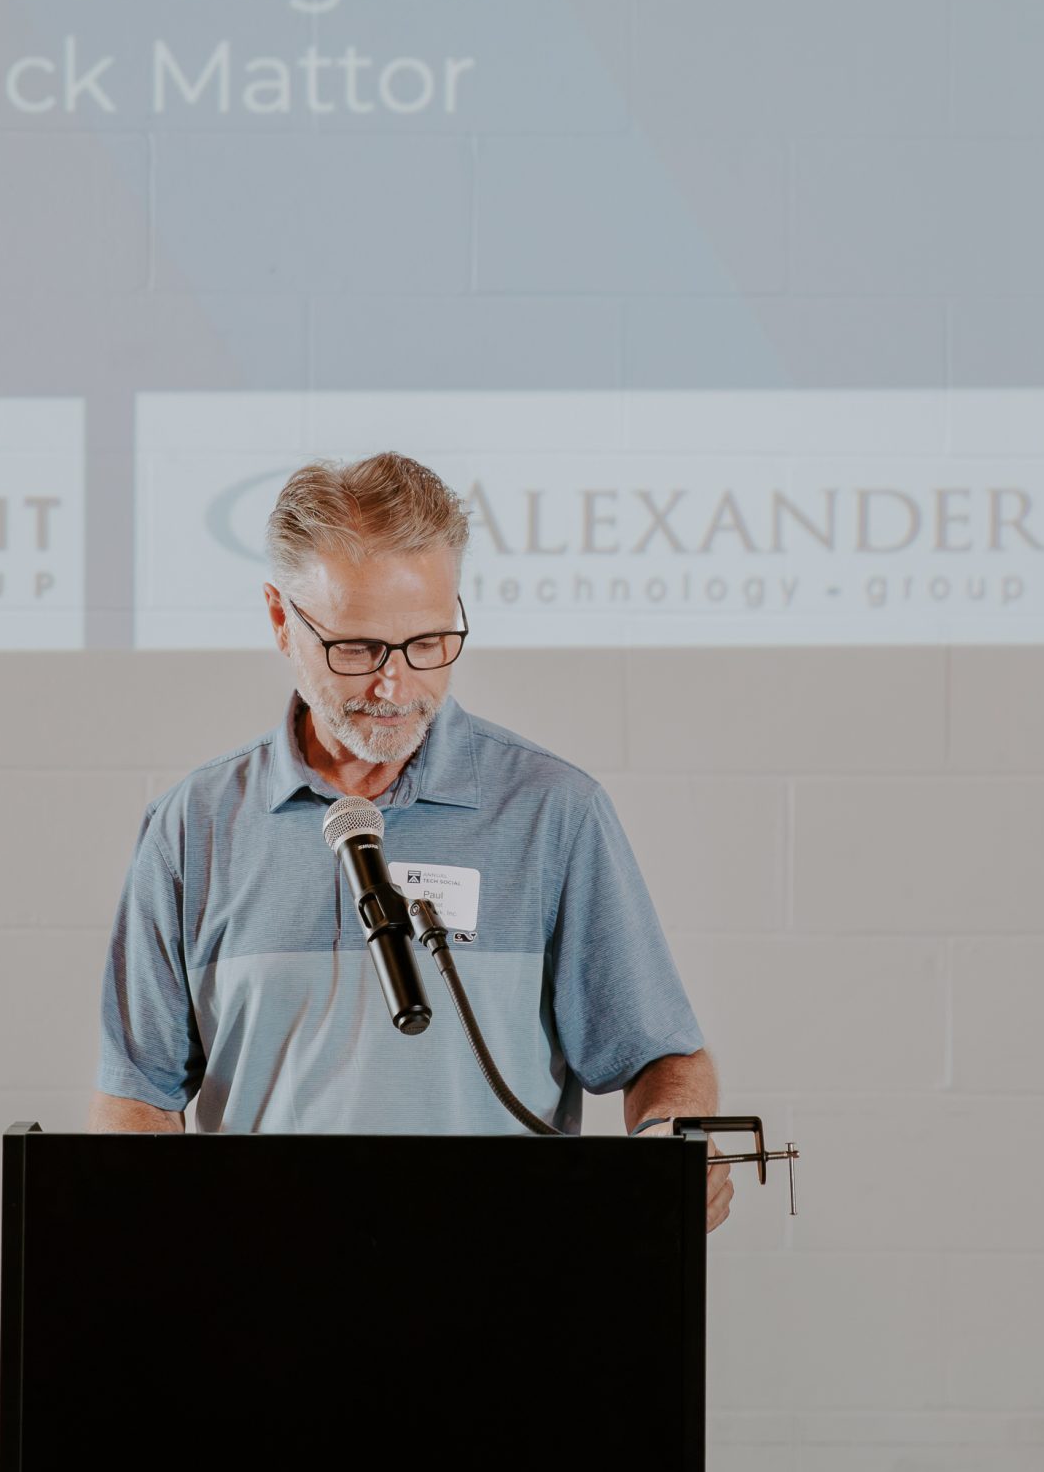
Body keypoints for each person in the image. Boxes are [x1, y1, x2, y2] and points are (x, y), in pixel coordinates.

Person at [87, 451, 733, 1231]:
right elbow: (138, 1096)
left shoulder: (554, 812)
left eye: (428, 643)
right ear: (281, 620)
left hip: (501, 1273)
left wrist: (675, 1142)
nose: (394, 687)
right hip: (258, 1279)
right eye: (357, 649)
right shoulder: (192, 827)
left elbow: (664, 1059)